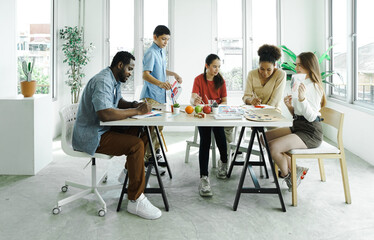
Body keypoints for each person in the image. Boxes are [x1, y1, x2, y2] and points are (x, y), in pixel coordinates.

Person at [72, 51, 162, 220]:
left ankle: (128, 174)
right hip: (92, 135)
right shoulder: (103, 81)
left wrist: (136, 104)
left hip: (104, 129)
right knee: (136, 145)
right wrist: (136, 111)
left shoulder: (114, 79)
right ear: (120, 65)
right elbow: (105, 114)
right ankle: (135, 200)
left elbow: (118, 102)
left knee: (144, 129)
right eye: (129, 68)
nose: (130, 73)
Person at [265, 52, 327, 191]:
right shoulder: (300, 83)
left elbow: (311, 117)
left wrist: (302, 99)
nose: (297, 68)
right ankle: (296, 169)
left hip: (311, 131)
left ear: (309, 66)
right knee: (263, 138)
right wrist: (289, 106)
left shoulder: (315, 87)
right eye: (296, 64)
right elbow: (299, 114)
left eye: (300, 65)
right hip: (298, 126)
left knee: (274, 148)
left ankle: (289, 177)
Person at [140, 25, 183, 170]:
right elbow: (145, 74)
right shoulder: (151, 52)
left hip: (160, 96)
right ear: (155, 37)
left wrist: (174, 74)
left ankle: (153, 155)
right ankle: (148, 160)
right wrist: (160, 84)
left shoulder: (161, 52)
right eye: (163, 39)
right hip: (151, 96)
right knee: (151, 130)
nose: (165, 42)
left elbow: (161, 70)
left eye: (167, 40)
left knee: (159, 128)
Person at [190, 54, 228, 197]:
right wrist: (196, 100)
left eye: (218, 66)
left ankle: (223, 163)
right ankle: (204, 177)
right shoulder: (199, 79)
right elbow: (193, 98)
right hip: (204, 116)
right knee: (205, 141)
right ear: (207, 66)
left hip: (216, 115)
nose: (217, 69)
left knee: (220, 138)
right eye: (214, 66)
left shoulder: (221, 80)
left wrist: (216, 106)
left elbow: (225, 101)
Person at [243, 44, 286, 109]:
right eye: (262, 69)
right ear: (259, 64)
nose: (265, 73)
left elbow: (274, 101)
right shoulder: (251, 74)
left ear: (274, 65)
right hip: (255, 111)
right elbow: (246, 96)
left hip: (272, 112)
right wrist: (251, 101)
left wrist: (263, 111)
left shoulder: (280, 74)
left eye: (269, 70)